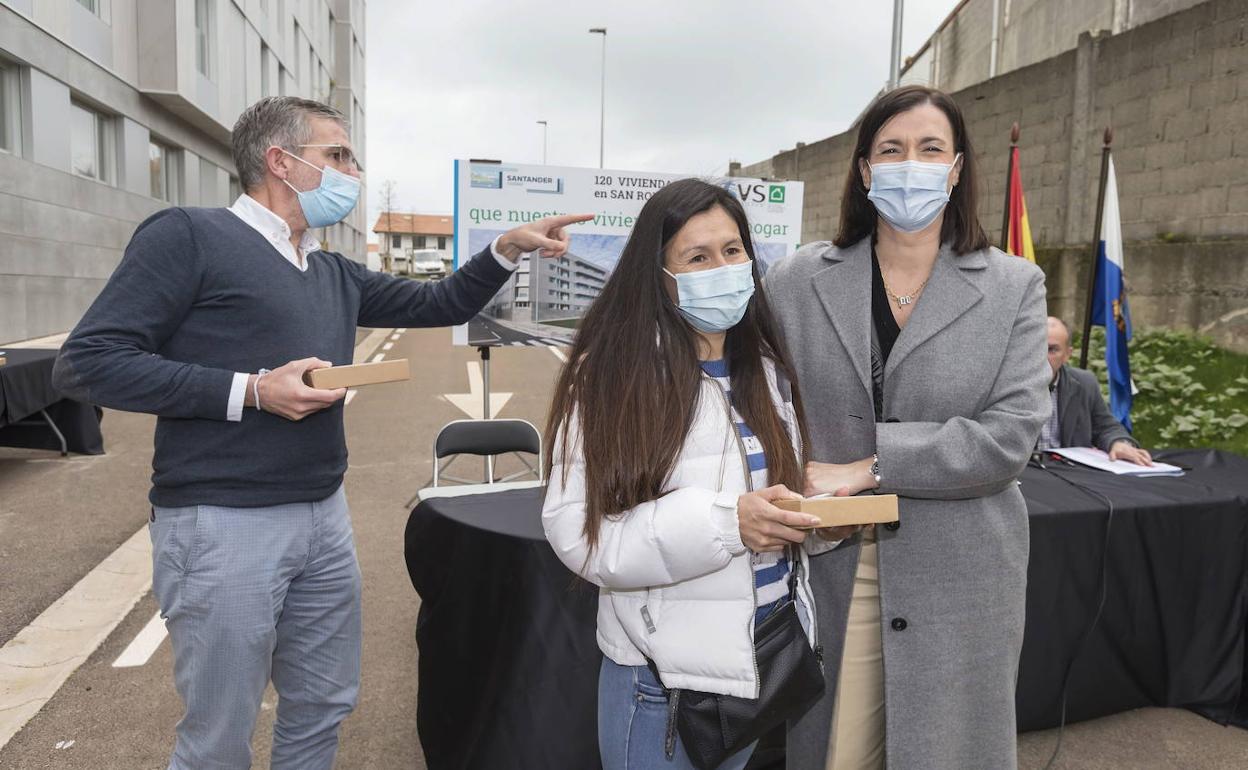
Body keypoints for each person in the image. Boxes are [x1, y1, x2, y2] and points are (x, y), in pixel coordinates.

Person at [51, 96, 590, 770]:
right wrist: (251, 390)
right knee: (220, 729)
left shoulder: (330, 269)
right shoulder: (187, 236)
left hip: (322, 517)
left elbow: (439, 301)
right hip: (220, 522)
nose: (353, 171)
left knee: (323, 703)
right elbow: (89, 363)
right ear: (280, 160)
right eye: (337, 155)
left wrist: (505, 250)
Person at [763, 85, 1051, 770]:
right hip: (832, 561)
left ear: (956, 169)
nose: (910, 164)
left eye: (930, 149)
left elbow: (1010, 436)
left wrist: (868, 466)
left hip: (962, 571)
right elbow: (758, 399)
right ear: (864, 170)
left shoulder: (1014, 285)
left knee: (948, 751)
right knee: (836, 751)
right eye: (890, 149)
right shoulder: (796, 279)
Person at [541, 179, 850, 770]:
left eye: (733, 251)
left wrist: (818, 516)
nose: (723, 267)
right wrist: (729, 524)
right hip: (661, 681)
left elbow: (770, 510)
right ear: (657, 274)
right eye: (698, 257)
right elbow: (586, 538)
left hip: (758, 657)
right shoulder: (613, 378)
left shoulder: (764, 369)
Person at [1041, 316, 1153, 464]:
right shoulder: (1005, 385)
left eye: (1052, 349)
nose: (1042, 356)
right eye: (1037, 348)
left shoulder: (1084, 383)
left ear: (1067, 355)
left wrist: (1119, 443)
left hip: (1068, 471)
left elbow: (1106, 427)